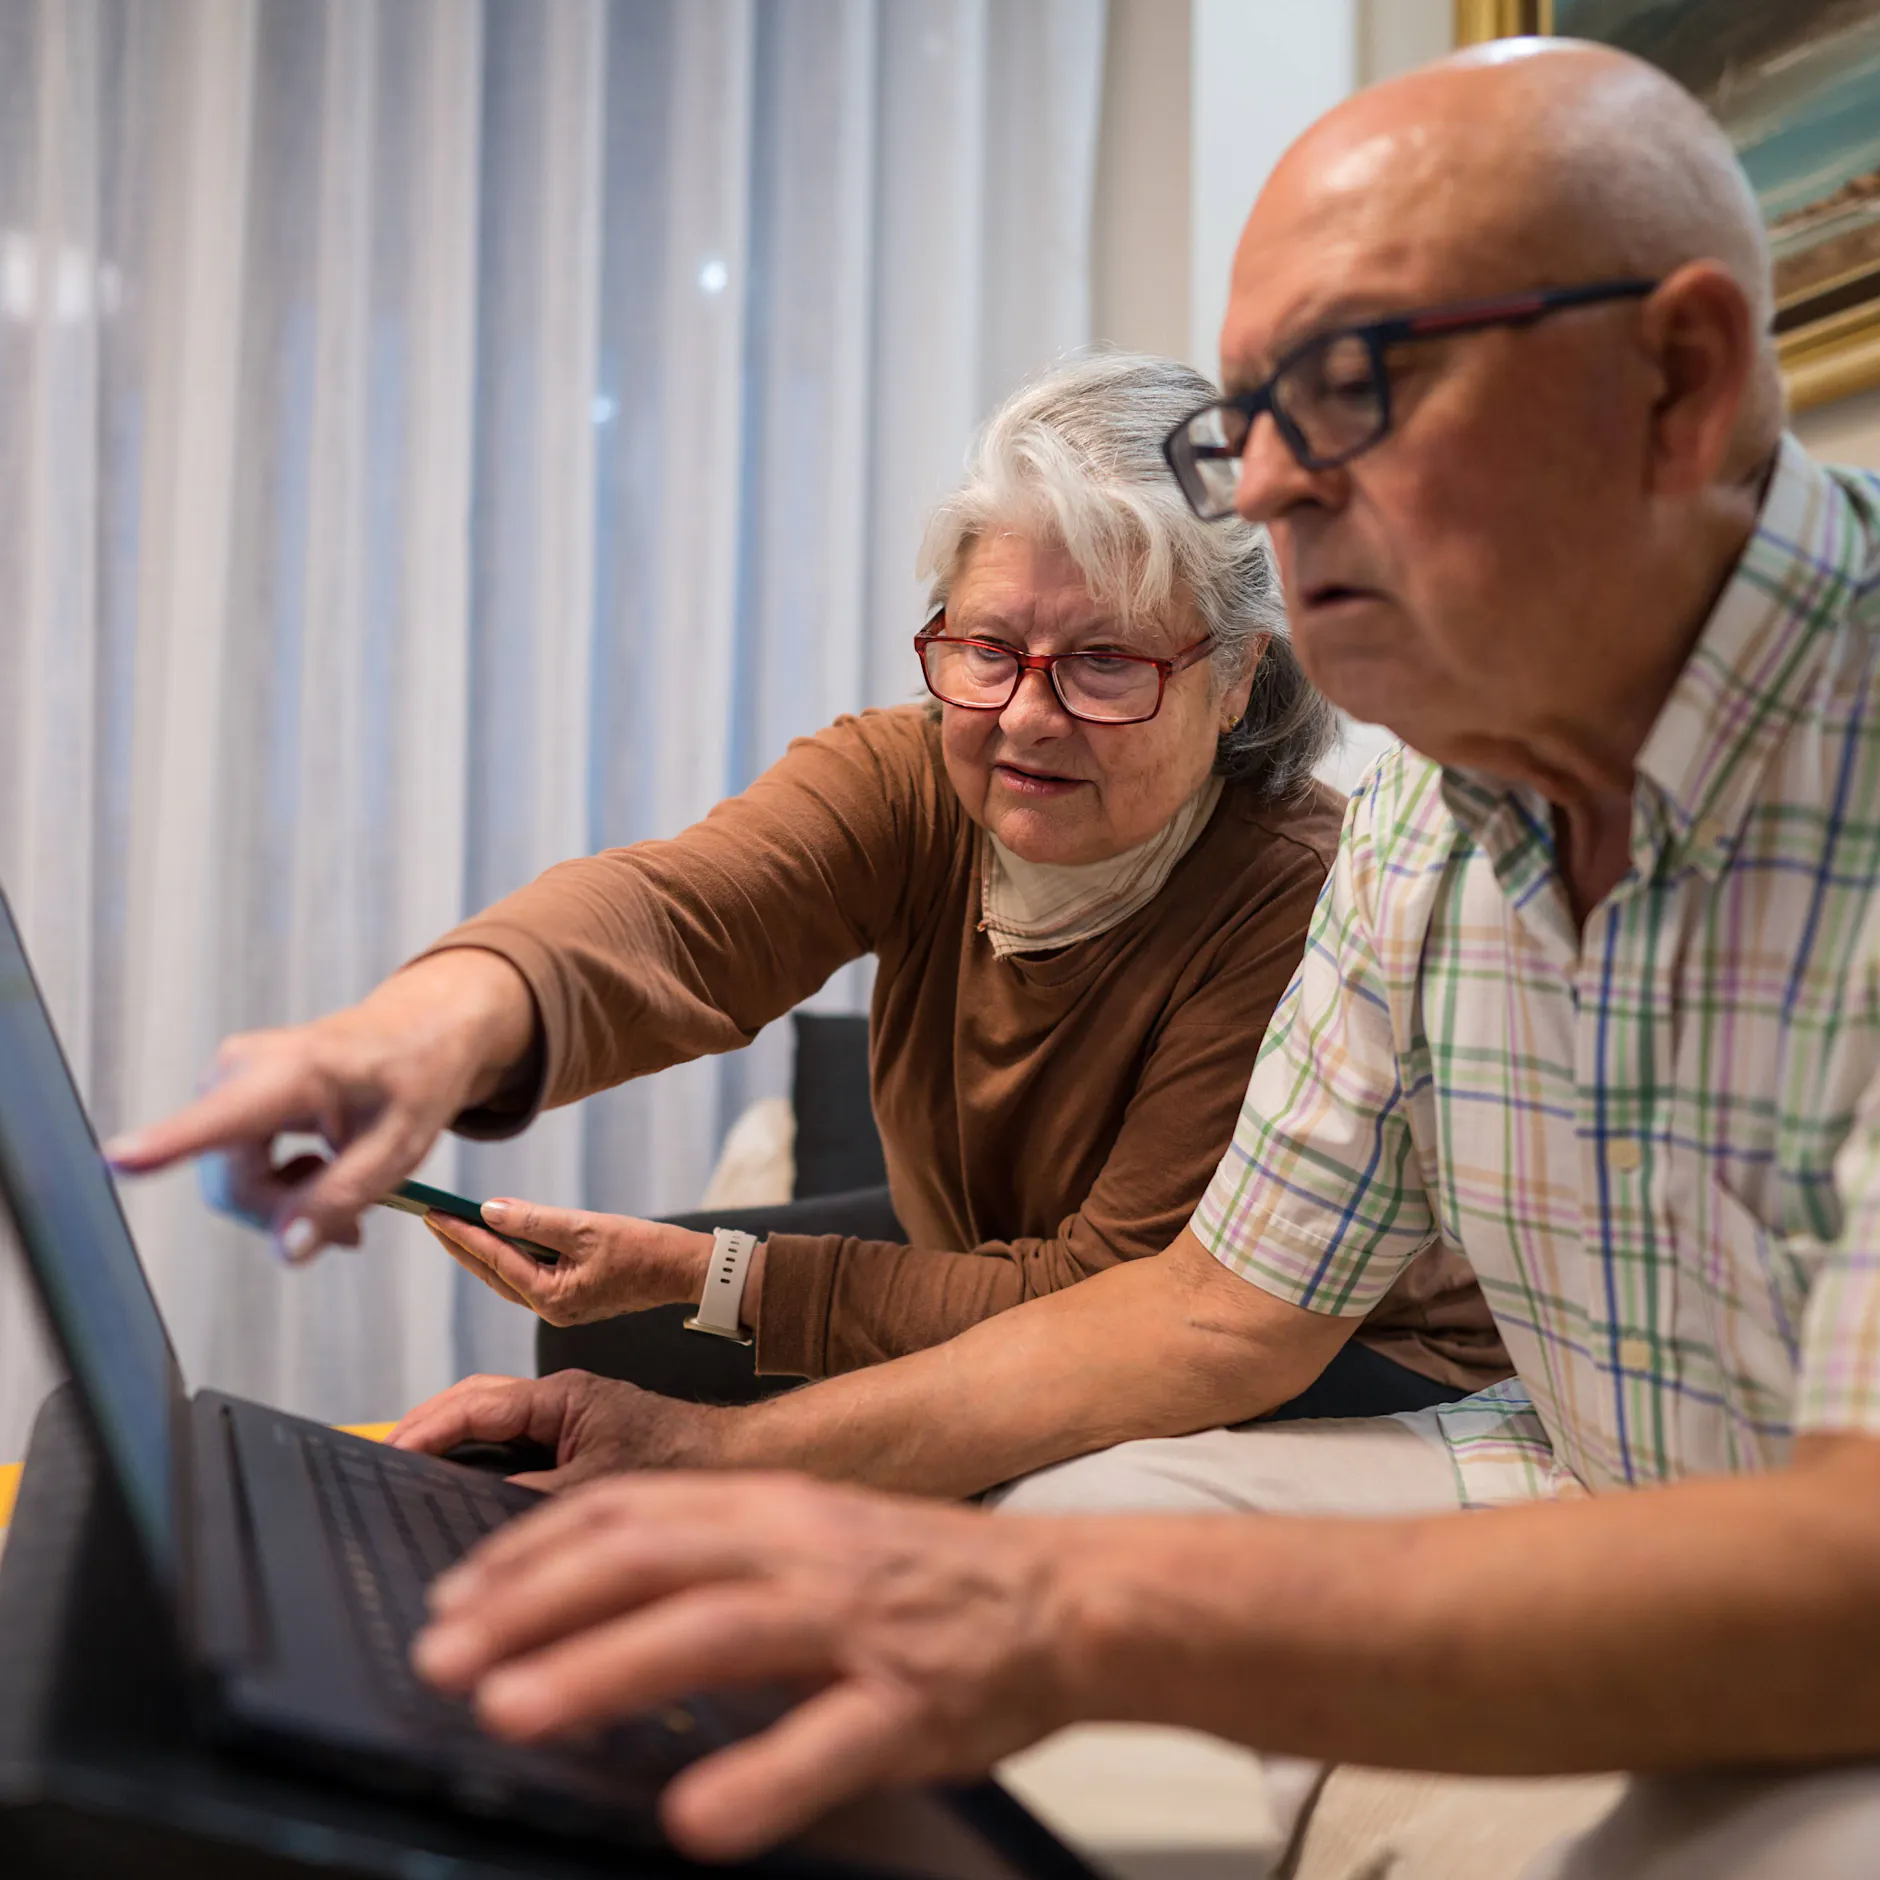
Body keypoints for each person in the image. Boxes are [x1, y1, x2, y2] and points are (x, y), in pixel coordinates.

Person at [368, 38, 1880, 1878]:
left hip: (1710, 1519)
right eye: (1249, 418)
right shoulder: (1433, 808)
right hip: (1561, 1461)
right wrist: (707, 1455)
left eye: (1348, 388)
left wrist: (1069, 1613)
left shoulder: (1320, 856)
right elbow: (1211, 1311)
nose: (1272, 484)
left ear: (1680, 378)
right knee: (1032, 1554)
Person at [109, 352, 1502, 1421]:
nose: (1024, 717)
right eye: (988, 649)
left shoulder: (1292, 896)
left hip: (1334, 1361)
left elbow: (1100, 1309)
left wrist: (710, 1281)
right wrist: (410, 1037)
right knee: (612, 1340)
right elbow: (678, 919)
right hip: (1026, 1271)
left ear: (1238, 677)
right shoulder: (911, 778)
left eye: (1104, 663)